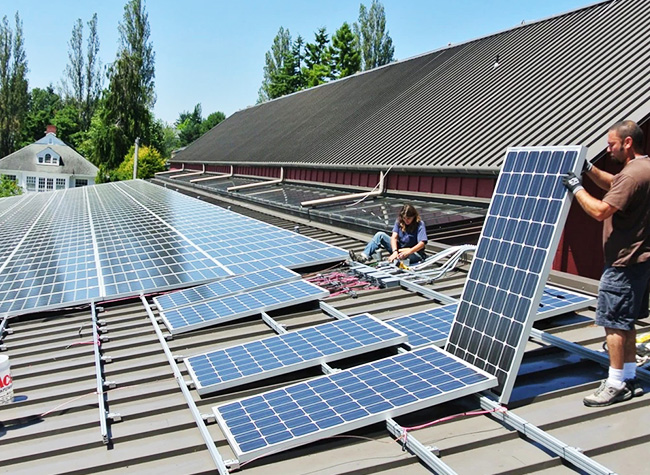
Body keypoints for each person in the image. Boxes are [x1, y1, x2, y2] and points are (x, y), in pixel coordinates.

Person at [563, 120, 650, 407]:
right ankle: (628, 377)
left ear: (627, 143)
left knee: (612, 324)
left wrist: (576, 189)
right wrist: (587, 169)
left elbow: (600, 210)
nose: (608, 149)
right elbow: (613, 183)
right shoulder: (641, 169)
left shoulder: (632, 175)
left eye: (611, 144)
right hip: (639, 260)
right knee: (625, 322)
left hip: (623, 263)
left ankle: (614, 384)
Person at [350, 204, 428, 265]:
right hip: (398, 250)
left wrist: (407, 252)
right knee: (380, 235)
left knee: (406, 257)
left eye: (408, 218)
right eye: (404, 218)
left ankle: (393, 259)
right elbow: (394, 237)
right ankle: (364, 257)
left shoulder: (420, 224)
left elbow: (422, 243)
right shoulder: (399, 222)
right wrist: (395, 251)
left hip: (413, 252)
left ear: (414, 217)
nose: (406, 220)